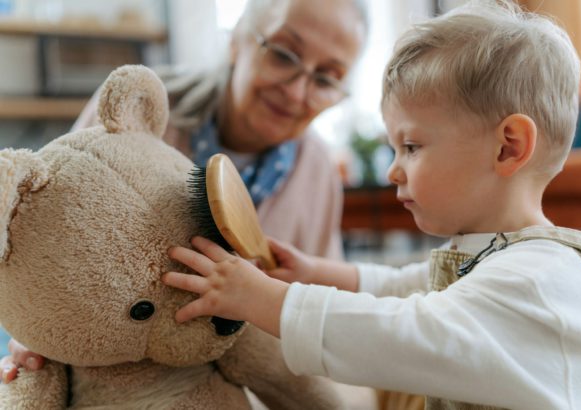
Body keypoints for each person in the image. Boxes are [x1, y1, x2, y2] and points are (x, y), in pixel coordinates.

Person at [155, 1, 581, 408]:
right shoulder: (502, 259)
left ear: (507, 148)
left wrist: (261, 299)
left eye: (411, 146)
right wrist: (317, 273)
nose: (394, 170)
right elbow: (410, 287)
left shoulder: (535, 282)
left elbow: (398, 333)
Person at [0, 0, 369, 385]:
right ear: (238, 41)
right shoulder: (137, 112)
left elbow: (317, 305)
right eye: (282, 54)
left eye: (326, 79)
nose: (296, 91)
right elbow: (40, 240)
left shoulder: (319, 170)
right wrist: (36, 333)